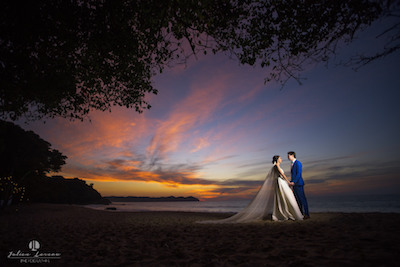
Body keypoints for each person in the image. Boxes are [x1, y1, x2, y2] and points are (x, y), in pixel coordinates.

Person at [197, 155, 303, 223]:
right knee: (285, 198)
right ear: (277, 159)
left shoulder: (275, 166)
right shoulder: (276, 166)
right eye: (280, 158)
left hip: (281, 183)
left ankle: (286, 212)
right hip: (281, 183)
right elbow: (282, 175)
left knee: (284, 198)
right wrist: (289, 182)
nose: (281, 159)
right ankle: (287, 213)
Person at [287, 151, 310, 219]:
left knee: (302, 199)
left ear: (293, 155)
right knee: (297, 200)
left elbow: (299, 174)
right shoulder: (292, 164)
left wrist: (294, 182)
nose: (288, 157)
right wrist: (291, 182)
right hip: (294, 184)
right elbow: (293, 175)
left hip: (299, 184)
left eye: (289, 156)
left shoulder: (298, 163)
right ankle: (301, 213)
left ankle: (307, 214)